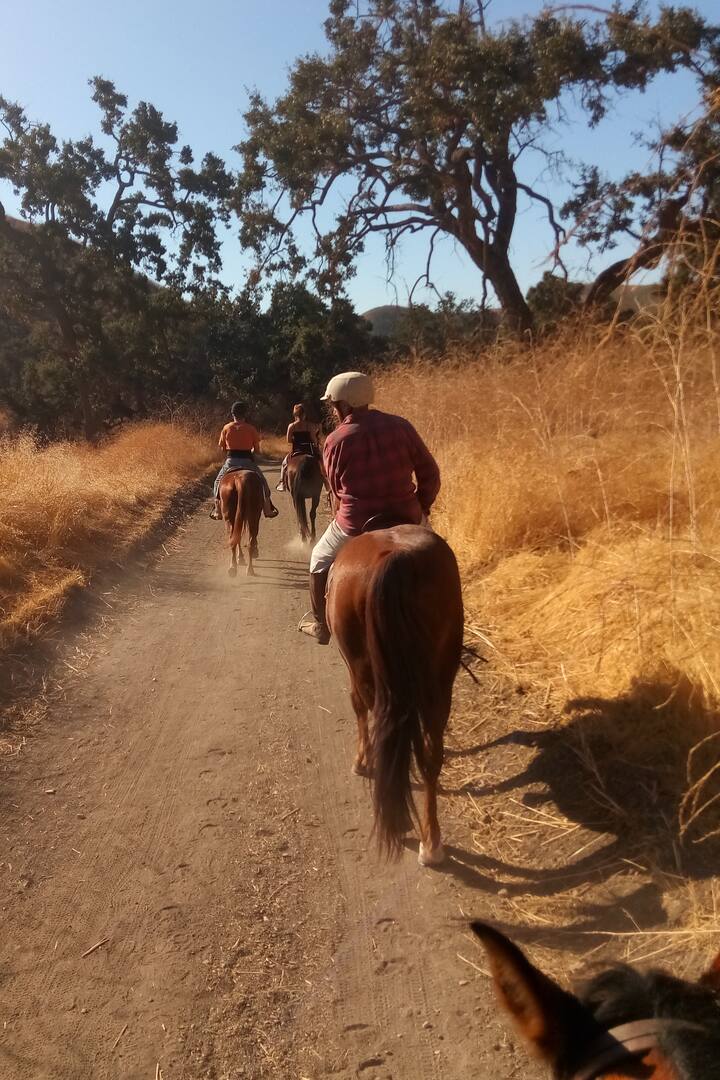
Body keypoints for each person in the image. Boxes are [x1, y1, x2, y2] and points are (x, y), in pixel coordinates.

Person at [298, 371, 440, 644]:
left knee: (318, 559)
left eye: (334, 405)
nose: (334, 410)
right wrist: (422, 506)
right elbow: (430, 473)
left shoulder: (335, 440)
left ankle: (321, 626)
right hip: (407, 515)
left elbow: (337, 490)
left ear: (344, 405)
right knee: (436, 558)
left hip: (355, 523)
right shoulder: (401, 426)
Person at [211, 402, 279, 520]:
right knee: (263, 482)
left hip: (231, 461)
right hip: (247, 461)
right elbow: (257, 450)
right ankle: (267, 508)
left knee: (217, 482)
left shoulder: (226, 428)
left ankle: (217, 509)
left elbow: (222, 448)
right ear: (245, 414)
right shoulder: (251, 429)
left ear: (233, 414)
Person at [276, 403, 321, 492]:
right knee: (321, 463)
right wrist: (316, 443)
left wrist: (296, 440)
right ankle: (326, 483)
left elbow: (288, 440)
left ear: (295, 415)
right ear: (304, 414)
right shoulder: (310, 425)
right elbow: (313, 439)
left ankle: (282, 483)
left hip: (296, 450)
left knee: (284, 464)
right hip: (309, 450)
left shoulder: (291, 426)